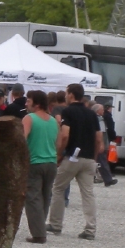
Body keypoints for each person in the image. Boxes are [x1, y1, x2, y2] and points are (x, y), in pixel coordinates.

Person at [49, 82, 103, 239]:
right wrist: (94, 157)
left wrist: (59, 154)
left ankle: (55, 224)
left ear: (71, 95)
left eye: (67, 93)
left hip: (73, 156)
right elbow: (98, 138)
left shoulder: (68, 111)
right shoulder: (91, 114)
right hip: (89, 158)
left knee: (58, 188)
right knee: (88, 194)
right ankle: (90, 229)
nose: (65, 96)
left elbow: (65, 135)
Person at [22, 90, 59, 243]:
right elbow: (58, 142)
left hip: (35, 162)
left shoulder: (29, 118)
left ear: (36, 104)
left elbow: (22, 139)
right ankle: (40, 226)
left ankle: (38, 234)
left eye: (28, 101)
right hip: (51, 162)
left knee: (33, 198)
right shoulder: (53, 121)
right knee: (45, 197)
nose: (26, 104)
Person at [93, 102, 118, 186]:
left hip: (94, 143)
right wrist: (102, 144)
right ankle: (108, 179)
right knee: (102, 161)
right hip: (100, 143)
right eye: (102, 110)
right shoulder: (100, 119)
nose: (103, 111)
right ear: (97, 111)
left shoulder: (91, 118)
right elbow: (101, 133)